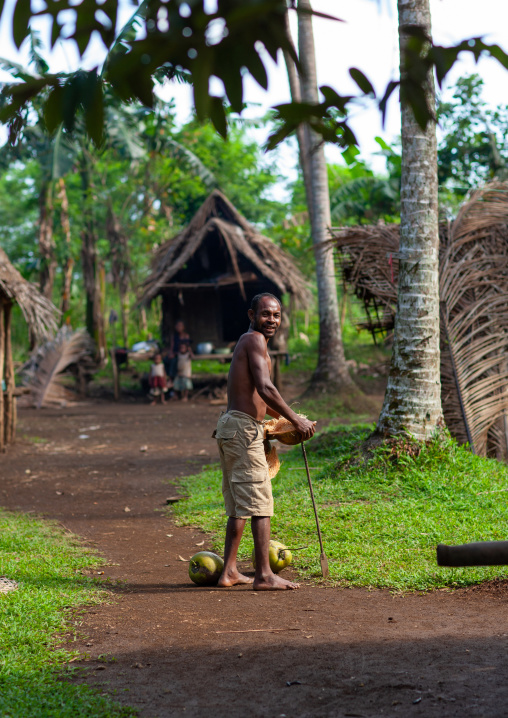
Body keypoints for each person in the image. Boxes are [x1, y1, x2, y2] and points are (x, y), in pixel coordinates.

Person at [214, 293, 316, 591]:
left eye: (276, 315)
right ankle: (264, 575)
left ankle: (229, 571)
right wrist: (296, 420)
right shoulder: (254, 340)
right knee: (260, 502)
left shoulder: (250, 342)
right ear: (251, 315)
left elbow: (258, 396)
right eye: (265, 314)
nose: (271, 320)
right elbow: (266, 387)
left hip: (232, 426)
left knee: (239, 505)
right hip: (242, 430)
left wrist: (286, 421)